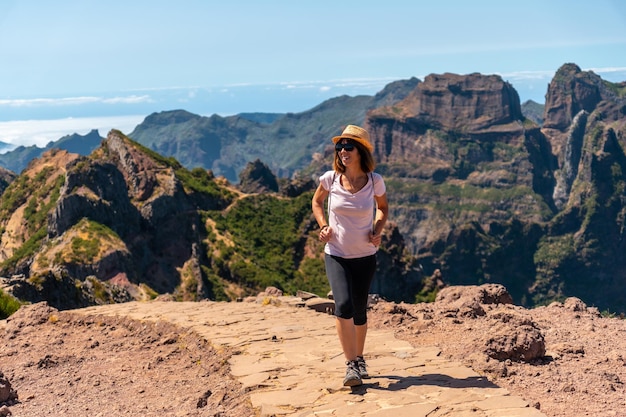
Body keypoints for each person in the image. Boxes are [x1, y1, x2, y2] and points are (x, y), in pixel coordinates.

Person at [311, 124, 388, 387]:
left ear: (361, 151)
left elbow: (383, 209)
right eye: (340, 146)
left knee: (359, 311)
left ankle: (360, 356)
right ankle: (351, 365)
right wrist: (323, 226)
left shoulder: (374, 181)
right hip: (337, 254)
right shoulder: (330, 179)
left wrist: (377, 229)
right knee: (342, 306)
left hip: (365, 255)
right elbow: (316, 202)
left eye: (348, 146)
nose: (343, 151)